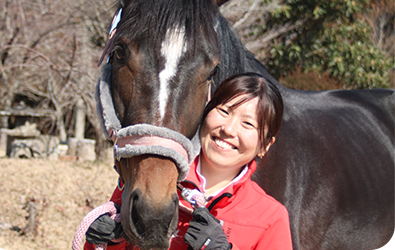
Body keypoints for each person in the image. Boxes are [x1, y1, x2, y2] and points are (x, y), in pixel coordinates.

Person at [84, 72, 293, 250]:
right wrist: (108, 242)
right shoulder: (153, 177)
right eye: (223, 111)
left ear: (265, 145)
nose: (228, 129)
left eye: (247, 124)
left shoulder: (270, 217)